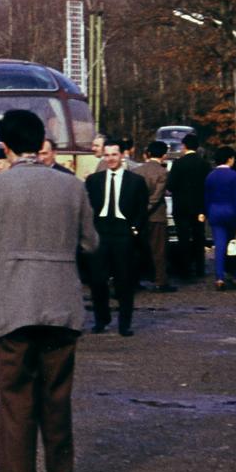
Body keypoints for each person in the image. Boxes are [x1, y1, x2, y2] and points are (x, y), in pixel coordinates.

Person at [0, 108, 99, 472]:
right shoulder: (72, 187)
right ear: (41, 143)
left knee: (16, 403)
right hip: (61, 305)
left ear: (5, 146)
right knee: (57, 402)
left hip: (13, 308)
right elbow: (90, 244)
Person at [85, 142, 149, 335]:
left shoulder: (135, 181)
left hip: (123, 232)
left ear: (122, 155)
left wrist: (134, 230)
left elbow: (141, 208)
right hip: (101, 232)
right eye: (107, 155)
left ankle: (124, 324)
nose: (111, 159)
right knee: (97, 280)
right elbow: (87, 208)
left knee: (124, 280)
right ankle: (101, 319)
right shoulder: (94, 180)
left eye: (114, 154)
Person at [204, 146, 236, 290]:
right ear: (230, 159)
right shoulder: (234, 176)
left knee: (220, 246)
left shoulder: (210, 176)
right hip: (231, 212)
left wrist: (207, 213)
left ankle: (219, 278)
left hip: (215, 212)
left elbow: (206, 198)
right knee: (234, 244)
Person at [167, 133, 210, 280]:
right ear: (197, 147)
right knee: (199, 237)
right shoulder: (204, 164)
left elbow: (170, 185)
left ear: (184, 146)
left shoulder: (178, 164)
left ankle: (185, 270)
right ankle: (199, 268)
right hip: (199, 207)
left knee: (183, 239)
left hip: (181, 207)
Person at [138, 141, 175, 291]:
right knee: (159, 250)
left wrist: (139, 212)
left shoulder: (137, 170)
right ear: (164, 155)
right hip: (157, 216)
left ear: (148, 153)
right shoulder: (163, 172)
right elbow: (157, 196)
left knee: (138, 249)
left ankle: (136, 279)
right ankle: (161, 281)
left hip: (139, 217)